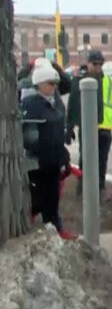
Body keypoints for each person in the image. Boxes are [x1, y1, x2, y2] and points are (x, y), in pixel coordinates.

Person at [21, 63, 74, 239]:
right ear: (40, 83)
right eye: (51, 83)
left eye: (56, 84)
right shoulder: (31, 105)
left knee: (52, 202)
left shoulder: (56, 104)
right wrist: (44, 152)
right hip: (38, 164)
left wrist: (63, 155)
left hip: (54, 161)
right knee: (37, 202)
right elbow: (29, 137)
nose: (55, 87)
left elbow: (58, 132)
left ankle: (54, 232)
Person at [67, 50, 112, 200]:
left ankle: (100, 189)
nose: (97, 66)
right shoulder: (80, 80)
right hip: (87, 128)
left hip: (105, 128)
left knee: (102, 161)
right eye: (94, 63)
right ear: (89, 63)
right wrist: (69, 127)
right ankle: (83, 189)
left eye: (100, 64)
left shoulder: (109, 81)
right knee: (86, 160)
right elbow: (73, 105)